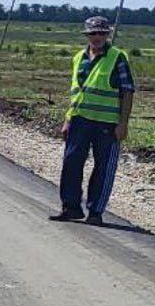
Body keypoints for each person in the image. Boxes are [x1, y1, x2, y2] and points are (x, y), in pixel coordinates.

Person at [51, 15, 136, 226]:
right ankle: (70, 208)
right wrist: (68, 119)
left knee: (103, 167)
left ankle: (95, 212)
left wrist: (123, 123)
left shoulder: (117, 57)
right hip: (79, 120)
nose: (97, 37)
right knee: (71, 163)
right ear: (87, 35)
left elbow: (127, 91)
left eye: (101, 33)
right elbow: (76, 92)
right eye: (93, 34)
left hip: (107, 123)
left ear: (107, 35)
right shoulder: (79, 57)